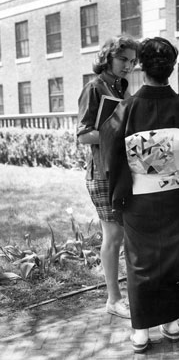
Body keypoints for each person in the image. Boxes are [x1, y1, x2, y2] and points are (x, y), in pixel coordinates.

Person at [99, 37, 179, 353]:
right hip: (173, 193)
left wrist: (127, 182)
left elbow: (112, 152)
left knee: (140, 260)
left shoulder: (127, 108)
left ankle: (141, 330)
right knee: (173, 254)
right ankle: (171, 323)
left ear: (141, 66)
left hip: (139, 196)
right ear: (172, 67)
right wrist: (166, 155)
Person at [77, 35, 139, 319]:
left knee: (125, 234)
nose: (129, 66)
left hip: (123, 170)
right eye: (123, 59)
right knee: (114, 235)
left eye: (132, 61)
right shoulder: (93, 88)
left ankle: (127, 294)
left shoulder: (122, 87)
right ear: (108, 58)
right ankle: (113, 299)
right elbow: (83, 134)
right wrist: (114, 134)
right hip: (102, 172)